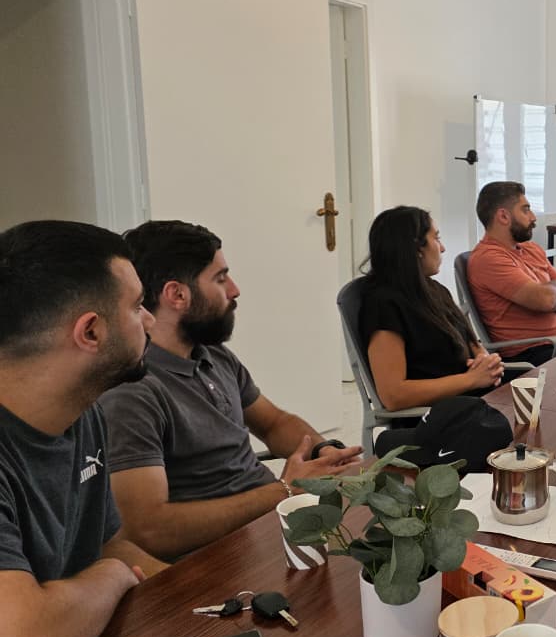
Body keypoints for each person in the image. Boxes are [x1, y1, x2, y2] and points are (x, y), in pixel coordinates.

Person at [98, 221, 363, 560]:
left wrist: (322, 452)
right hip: (219, 554)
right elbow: (150, 530)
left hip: (266, 522)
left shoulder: (211, 354)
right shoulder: (132, 392)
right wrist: (282, 491)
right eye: (221, 278)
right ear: (177, 295)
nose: (235, 290)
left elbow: (274, 423)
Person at [0, 220, 167, 637]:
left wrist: (203, 599)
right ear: (90, 331)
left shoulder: (81, 412)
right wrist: (113, 576)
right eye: (137, 306)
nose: (150, 320)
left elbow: (108, 547)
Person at [360, 206, 504, 410]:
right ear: (416, 248)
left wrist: (485, 361)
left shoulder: (434, 289)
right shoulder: (384, 304)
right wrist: (471, 380)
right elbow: (393, 395)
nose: (442, 248)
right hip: (436, 415)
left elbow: (472, 343)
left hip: (471, 400)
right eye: (436, 238)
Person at [467, 182, 556, 366]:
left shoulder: (531, 249)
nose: (533, 217)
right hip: (532, 352)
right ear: (503, 216)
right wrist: (553, 291)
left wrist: (552, 292)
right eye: (526, 210)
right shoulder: (488, 258)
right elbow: (546, 300)